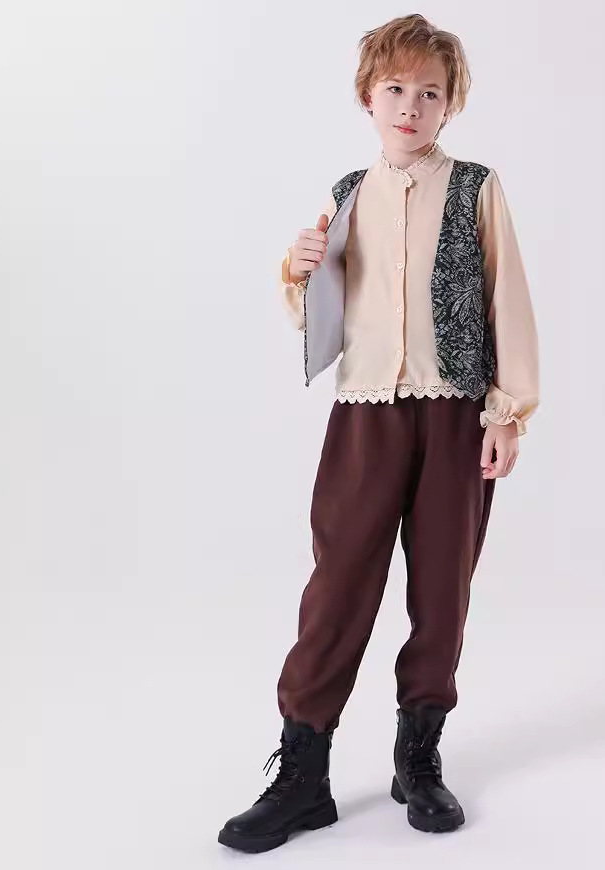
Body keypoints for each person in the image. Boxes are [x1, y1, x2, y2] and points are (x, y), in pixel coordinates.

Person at [218, 12, 539, 853]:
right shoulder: (346, 195)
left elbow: (507, 296)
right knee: (339, 584)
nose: (410, 106)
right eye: (395, 88)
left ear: (450, 104)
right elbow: (320, 315)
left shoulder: (475, 188)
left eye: (430, 93)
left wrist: (508, 411)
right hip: (365, 412)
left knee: (442, 587)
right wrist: (296, 275)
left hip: (456, 411)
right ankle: (303, 773)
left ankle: (418, 757)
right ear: (368, 97)